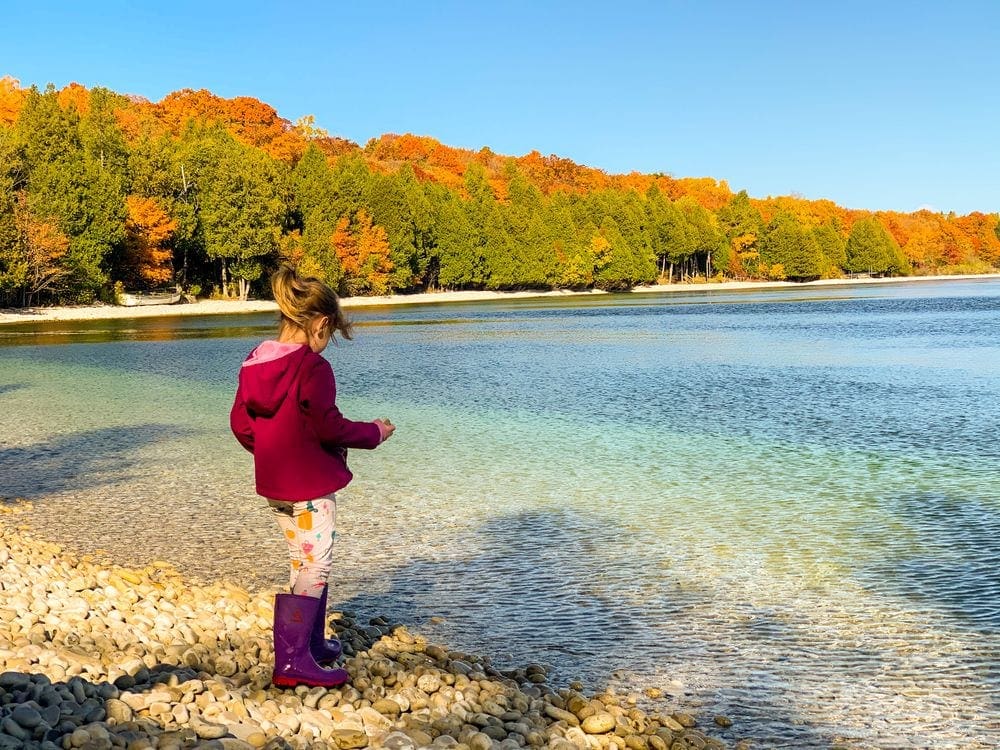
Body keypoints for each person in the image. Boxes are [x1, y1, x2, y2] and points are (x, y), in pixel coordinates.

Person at [230, 266, 395, 688]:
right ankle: (291, 664)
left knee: (302, 563)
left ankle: (312, 644)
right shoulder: (311, 368)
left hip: (275, 485)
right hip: (310, 488)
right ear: (320, 323)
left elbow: (240, 424)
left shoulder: (255, 362)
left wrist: (270, 451)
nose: (328, 345)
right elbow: (329, 426)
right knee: (316, 566)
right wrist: (374, 432)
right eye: (330, 335)